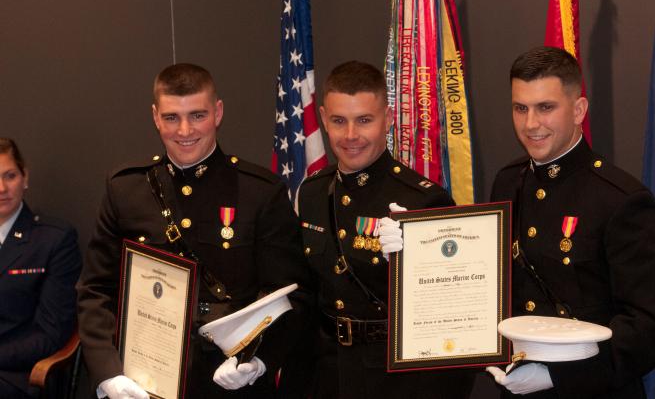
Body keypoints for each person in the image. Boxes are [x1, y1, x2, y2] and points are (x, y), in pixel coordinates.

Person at [76, 64, 311, 398]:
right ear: (155, 117)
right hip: (145, 379)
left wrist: (259, 358)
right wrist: (108, 373)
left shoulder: (260, 192)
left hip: (230, 379)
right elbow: (96, 289)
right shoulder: (126, 190)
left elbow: (292, 294)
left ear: (217, 112)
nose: (184, 130)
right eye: (172, 117)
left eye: (197, 115)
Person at [486, 46, 655, 397]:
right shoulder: (508, 182)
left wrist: (558, 377)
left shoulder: (619, 199)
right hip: (515, 387)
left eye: (546, 107)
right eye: (520, 108)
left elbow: (653, 326)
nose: (531, 124)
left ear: (578, 110)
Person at [297, 61, 475, 398]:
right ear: (323, 118)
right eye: (339, 121)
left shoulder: (422, 200)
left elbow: (453, 314)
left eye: (364, 120)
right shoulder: (313, 192)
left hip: (395, 379)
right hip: (327, 372)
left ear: (389, 118)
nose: (350, 135)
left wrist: (412, 265)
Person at [0, 138, 82, 398]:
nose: (1, 188)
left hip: (14, 374)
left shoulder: (54, 239)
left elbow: (51, 332)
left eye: (9, 176)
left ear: (25, 178)